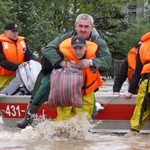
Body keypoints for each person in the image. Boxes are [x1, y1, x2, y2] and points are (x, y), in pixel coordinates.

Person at [17, 13, 111, 129]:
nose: (83, 29)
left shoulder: (98, 41)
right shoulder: (66, 37)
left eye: (86, 27)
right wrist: (62, 63)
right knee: (44, 87)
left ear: (92, 27)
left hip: (85, 76)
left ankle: (83, 127)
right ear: (75, 26)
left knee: (89, 101)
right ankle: (28, 117)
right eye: (80, 26)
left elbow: (107, 60)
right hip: (60, 72)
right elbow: (48, 49)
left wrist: (90, 62)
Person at [55, 35, 103, 121]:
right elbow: (47, 65)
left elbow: (105, 63)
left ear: (86, 48)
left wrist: (91, 62)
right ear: (71, 48)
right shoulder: (61, 54)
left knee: (83, 121)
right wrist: (62, 63)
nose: (78, 52)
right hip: (66, 92)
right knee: (63, 119)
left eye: (80, 48)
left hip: (86, 91)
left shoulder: (95, 55)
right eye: (75, 48)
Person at [124, 32, 150, 136]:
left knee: (141, 108)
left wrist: (130, 91)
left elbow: (137, 72)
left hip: (147, 82)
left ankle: (133, 132)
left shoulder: (142, 46)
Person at [0, 21, 36, 90]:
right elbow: (2, 62)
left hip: (19, 76)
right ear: (6, 31)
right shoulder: (0, 43)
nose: (16, 33)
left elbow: (30, 56)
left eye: (17, 31)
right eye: (13, 31)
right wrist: (19, 67)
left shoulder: (22, 42)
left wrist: (31, 63)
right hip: (3, 77)